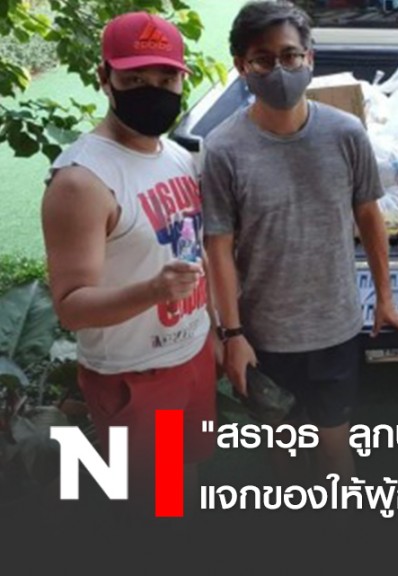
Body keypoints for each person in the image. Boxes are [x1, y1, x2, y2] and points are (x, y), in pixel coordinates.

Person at [201, 0, 398, 485]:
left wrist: (385, 299)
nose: (279, 70)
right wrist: (232, 335)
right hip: (264, 336)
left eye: (290, 55)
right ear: (241, 65)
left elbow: (369, 216)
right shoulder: (222, 149)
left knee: (334, 453)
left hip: (336, 329)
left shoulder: (346, 133)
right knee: (282, 453)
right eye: (263, 60)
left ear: (310, 58)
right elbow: (218, 246)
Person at [41, 12, 216, 513]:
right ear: (105, 78)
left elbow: (190, 251)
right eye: (135, 80)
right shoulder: (81, 181)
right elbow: (71, 308)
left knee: (184, 480)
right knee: (155, 505)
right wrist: (153, 291)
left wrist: (217, 330)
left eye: (165, 79)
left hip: (191, 354)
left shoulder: (175, 156)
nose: (153, 91)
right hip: (136, 374)